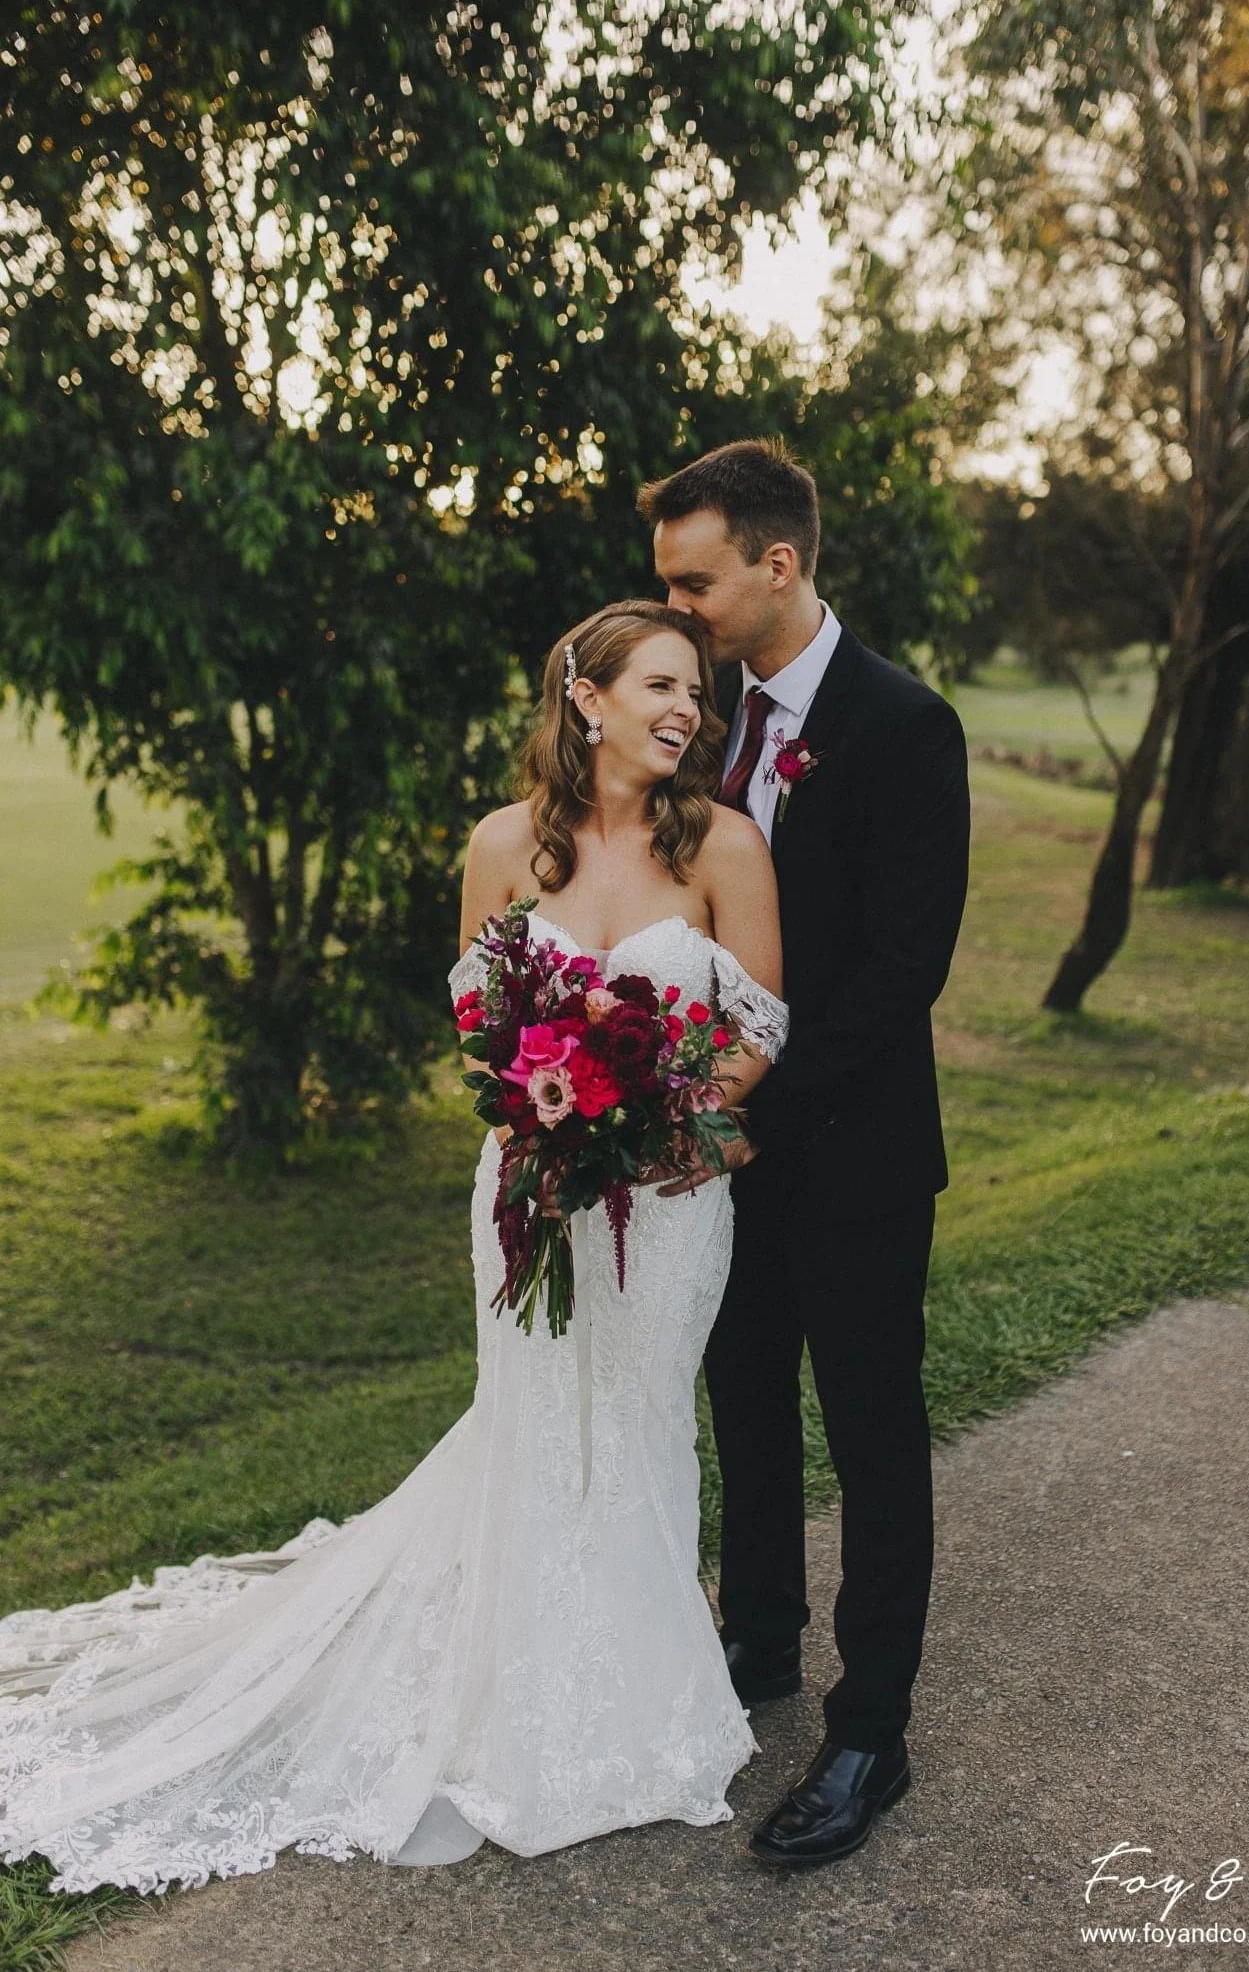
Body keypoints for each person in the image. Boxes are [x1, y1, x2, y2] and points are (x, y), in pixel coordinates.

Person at [0, 602, 789, 1893]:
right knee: (535, 1421)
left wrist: (670, 1113)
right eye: (659, 685)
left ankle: (635, 1709)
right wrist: (548, 1100)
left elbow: (757, 1024)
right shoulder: (499, 847)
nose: (685, 710)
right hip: (529, 1187)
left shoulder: (723, 845)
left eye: (695, 693)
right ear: (584, 699)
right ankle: (513, 1697)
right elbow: (481, 1025)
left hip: (670, 1193)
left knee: (640, 1423)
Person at [639, 439, 971, 1868]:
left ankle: (868, 1734)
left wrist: (746, 1111)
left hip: (850, 1157)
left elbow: (902, 971)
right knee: (746, 1409)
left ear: (777, 565)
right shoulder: (695, 721)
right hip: (726, 1158)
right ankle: (755, 1647)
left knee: (873, 1437)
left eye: (693, 581)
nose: (676, 610)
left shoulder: (904, 725)